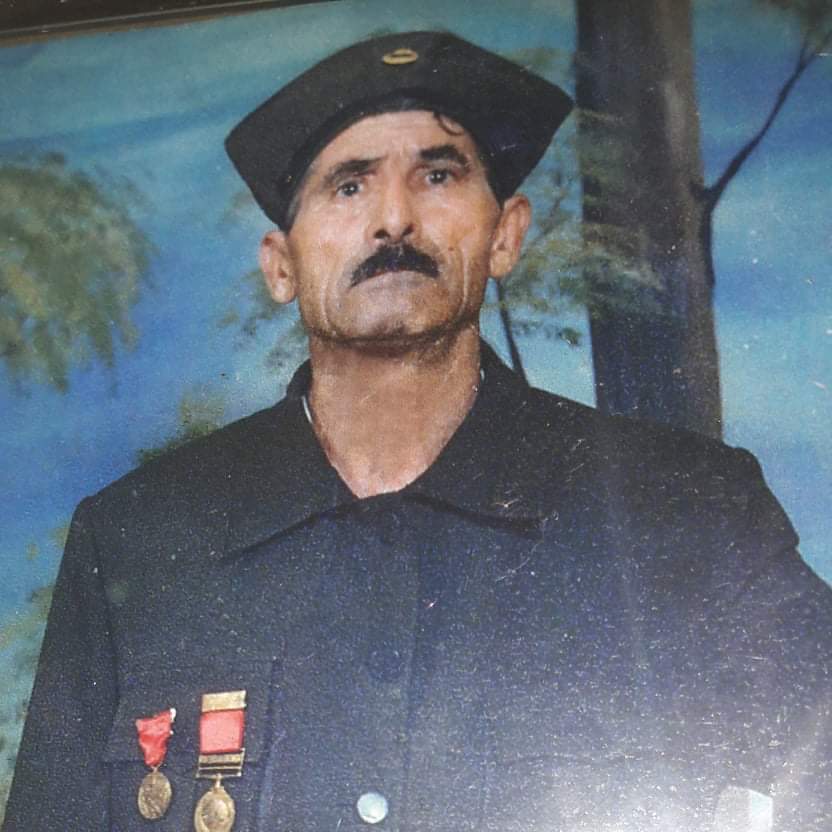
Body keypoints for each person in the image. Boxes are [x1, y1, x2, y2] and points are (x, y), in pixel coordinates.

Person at [4, 30, 832, 832]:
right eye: (348, 186)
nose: (394, 219)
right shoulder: (138, 540)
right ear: (281, 265)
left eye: (438, 175)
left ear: (506, 234)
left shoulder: (686, 513)